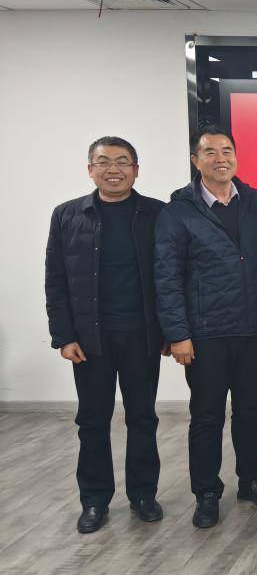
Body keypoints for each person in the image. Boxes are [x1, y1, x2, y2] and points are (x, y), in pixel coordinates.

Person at [155, 125, 257, 529]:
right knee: (207, 416)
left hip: (254, 329)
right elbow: (166, 277)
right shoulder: (178, 212)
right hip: (205, 333)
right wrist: (178, 334)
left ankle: (251, 480)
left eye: (227, 151)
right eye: (210, 152)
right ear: (196, 161)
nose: (220, 158)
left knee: (251, 413)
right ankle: (207, 493)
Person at [45, 136, 166, 534]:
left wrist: (170, 330)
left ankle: (143, 494)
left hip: (141, 335)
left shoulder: (157, 214)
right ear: (90, 169)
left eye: (122, 161)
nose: (113, 169)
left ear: (136, 170)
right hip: (89, 339)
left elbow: (170, 276)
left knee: (143, 417)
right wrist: (64, 336)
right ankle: (94, 499)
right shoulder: (67, 215)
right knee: (92, 420)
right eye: (104, 162)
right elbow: (55, 281)